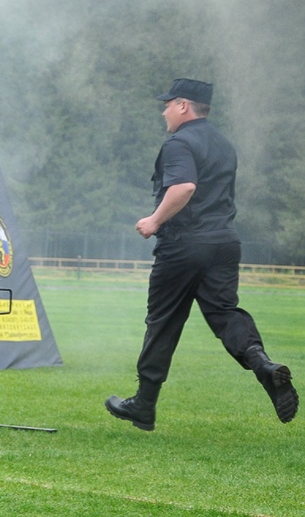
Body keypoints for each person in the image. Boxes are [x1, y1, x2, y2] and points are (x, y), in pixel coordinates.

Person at [105, 78, 299, 431]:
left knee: (163, 321)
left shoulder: (179, 143)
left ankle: (144, 404)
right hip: (224, 242)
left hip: (184, 244)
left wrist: (154, 220)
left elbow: (184, 186)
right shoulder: (224, 144)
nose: (164, 112)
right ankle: (264, 366)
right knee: (224, 312)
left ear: (183, 105)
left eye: (167, 105)